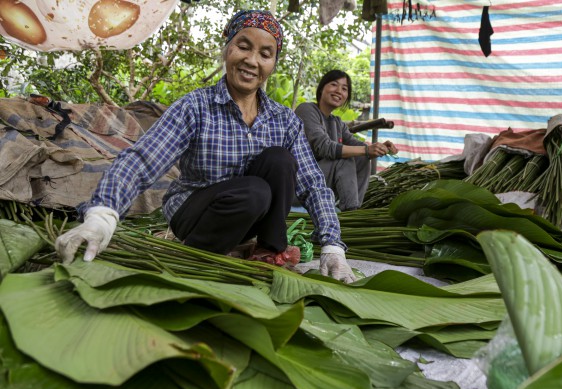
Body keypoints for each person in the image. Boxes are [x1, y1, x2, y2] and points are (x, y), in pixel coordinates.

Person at [54, 10, 357, 283]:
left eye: (265, 53)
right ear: (227, 48)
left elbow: (313, 185)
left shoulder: (284, 120)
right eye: (243, 46)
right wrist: (102, 214)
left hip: (249, 214)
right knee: (254, 191)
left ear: (273, 64)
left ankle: (267, 250)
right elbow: (142, 159)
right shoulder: (195, 107)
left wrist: (332, 245)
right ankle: (198, 252)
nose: (252, 60)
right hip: (195, 213)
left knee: (280, 160)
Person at [295, 70, 398, 211]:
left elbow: (358, 146)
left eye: (344, 89)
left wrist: (378, 148)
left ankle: (354, 208)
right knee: (344, 159)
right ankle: (350, 210)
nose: (339, 91)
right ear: (322, 88)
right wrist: (366, 150)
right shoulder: (307, 110)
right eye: (333, 85)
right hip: (300, 184)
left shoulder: (337, 123)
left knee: (362, 158)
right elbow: (323, 147)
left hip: (321, 183)